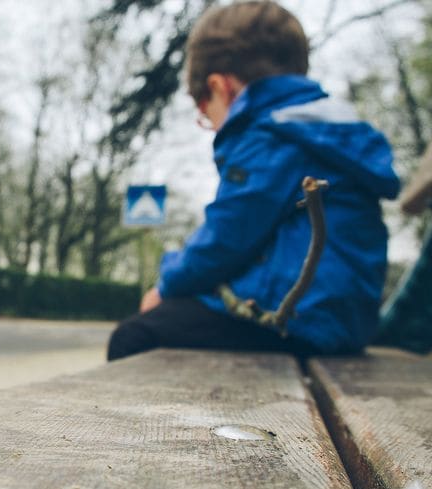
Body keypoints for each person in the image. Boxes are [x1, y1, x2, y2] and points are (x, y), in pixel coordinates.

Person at [107, 0, 399, 361]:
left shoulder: (272, 135)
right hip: (338, 321)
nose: (211, 125)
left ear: (221, 87)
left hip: (295, 320)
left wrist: (165, 285)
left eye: (205, 112)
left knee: (135, 336)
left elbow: (226, 239)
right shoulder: (321, 129)